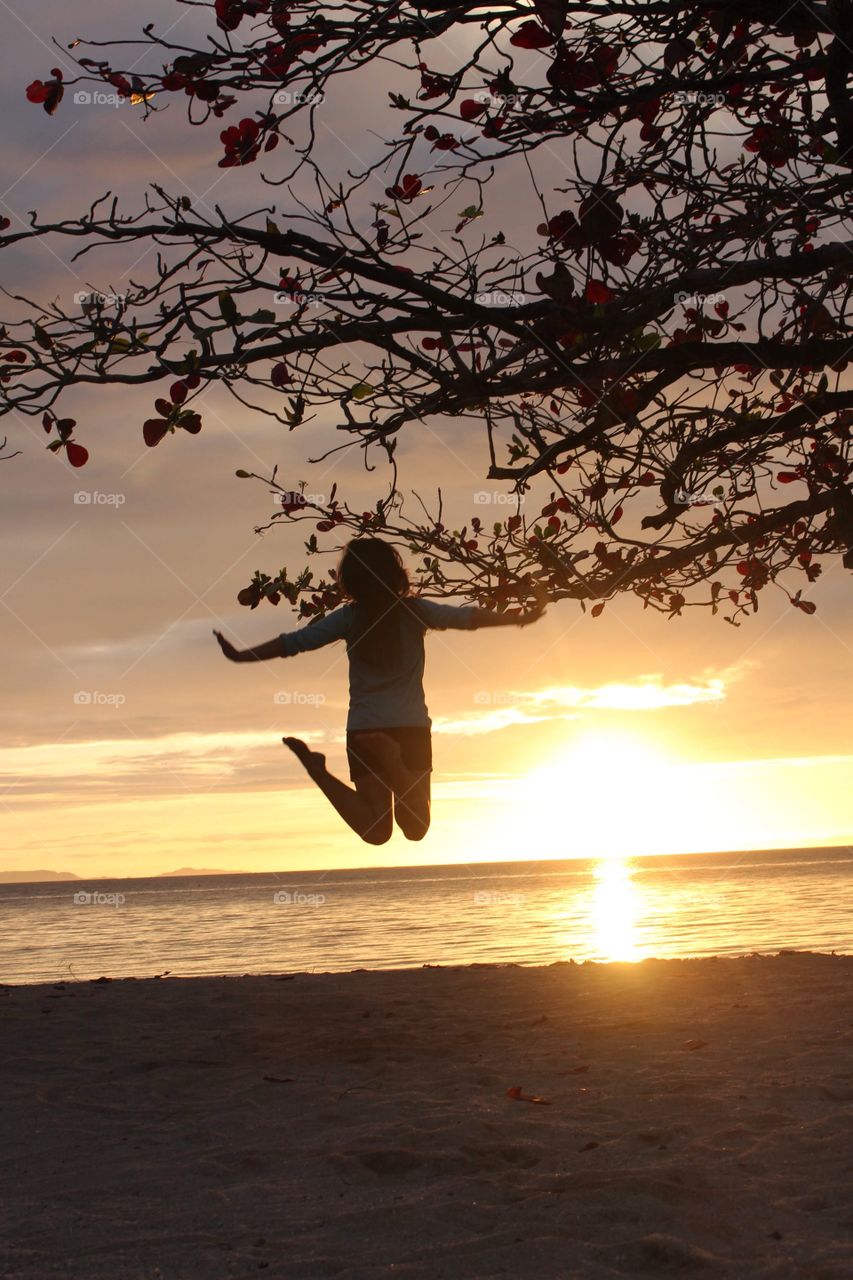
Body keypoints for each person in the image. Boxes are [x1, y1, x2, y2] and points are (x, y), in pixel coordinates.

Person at [214, 537, 546, 845]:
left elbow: (295, 643)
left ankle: (317, 770)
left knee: (376, 833)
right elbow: (467, 618)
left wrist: (242, 655)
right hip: (410, 726)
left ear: (351, 581)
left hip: (364, 728)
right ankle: (393, 760)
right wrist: (520, 618)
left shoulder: (349, 618)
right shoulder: (415, 611)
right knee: (415, 828)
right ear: (395, 572)